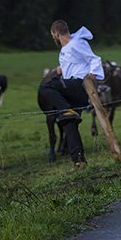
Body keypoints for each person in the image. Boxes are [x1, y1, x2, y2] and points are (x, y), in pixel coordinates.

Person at [40, 20, 105, 167]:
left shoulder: (77, 44)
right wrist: (57, 70)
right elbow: (72, 64)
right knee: (69, 124)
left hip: (79, 85)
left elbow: (94, 58)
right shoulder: (67, 48)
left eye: (52, 35)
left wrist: (93, 74)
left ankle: (65, 110)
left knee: (45, 87)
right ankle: (79, 160)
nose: (53, 38)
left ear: (56, 33)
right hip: (72, 89)